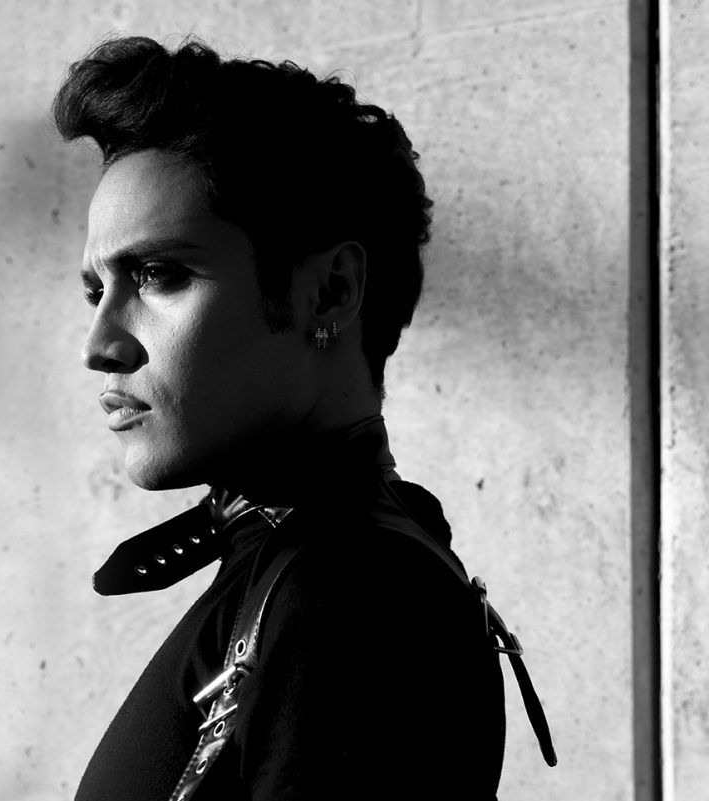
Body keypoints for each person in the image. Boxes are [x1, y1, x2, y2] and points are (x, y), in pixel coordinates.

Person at [53, 35, 555, 800]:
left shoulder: (357, 602)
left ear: (330, 292)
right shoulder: (296, 573)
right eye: (98, 290)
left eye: (159, 274)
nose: (101, 344)